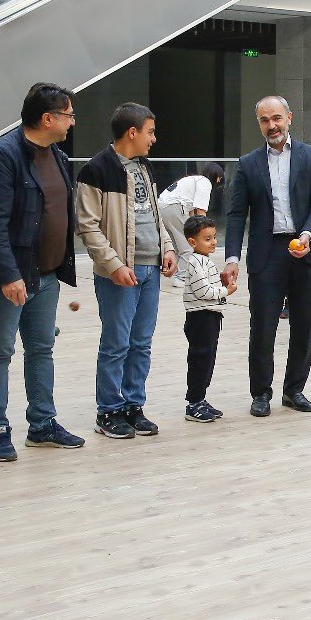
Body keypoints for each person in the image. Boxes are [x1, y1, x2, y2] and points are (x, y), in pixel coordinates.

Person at [0, 83, 83, 462]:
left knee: (41, 348)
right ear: (48, 119)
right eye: (69, 115)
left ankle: (42, 424)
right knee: (0, 350)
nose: (73, 122)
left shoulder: (58, 155)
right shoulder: (0, 157)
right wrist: (8, 275)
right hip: (5, 277)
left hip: (46, 275)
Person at [224, 96, 311, 416]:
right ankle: (261, 393)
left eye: (276, 118)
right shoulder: (248, 164)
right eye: (264, 120)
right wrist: (231, 258)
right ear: (259, 123)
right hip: (267, 253)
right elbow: (236, 214)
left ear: (289, 118)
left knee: (304, 325)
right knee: (262, 327)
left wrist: (308, 233)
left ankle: (294, 390)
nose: (271, 125)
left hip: (306, 249)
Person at [77, 102, 178, 439]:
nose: (154, 139)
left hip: (151, 270)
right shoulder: (96, 170)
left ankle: (134, 406)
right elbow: (87, 226)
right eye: (150, 132)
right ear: (132, 132)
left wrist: (168, 247)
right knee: (116, 345)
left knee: (141, 344)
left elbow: (153, 214)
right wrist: (114, 265)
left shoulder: (144, 167)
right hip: (120, 274)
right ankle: (108, 411)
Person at [179, 215, 233, 423]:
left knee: (208, 358)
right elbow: (203, 291)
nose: (213, 242)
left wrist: (220, 282)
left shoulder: (204, 260)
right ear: (192, 242)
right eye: (207, 239)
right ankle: (193, 403)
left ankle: (200, 398)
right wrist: (226, 291)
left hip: (210, 315)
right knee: (200, 358)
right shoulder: (195, 261)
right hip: (200, 316)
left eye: (214, 237)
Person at [159, 162, 225, 288]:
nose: (219, 181)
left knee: (175, 245)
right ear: (217, 177)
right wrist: (204, 233)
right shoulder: (205, 182)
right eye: (220, 178)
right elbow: (200, 212)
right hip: (175, 207)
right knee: (189, 244)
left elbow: (191, 212)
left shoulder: (193, 179)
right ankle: (182, 278)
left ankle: (176, 271)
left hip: (162, 208)